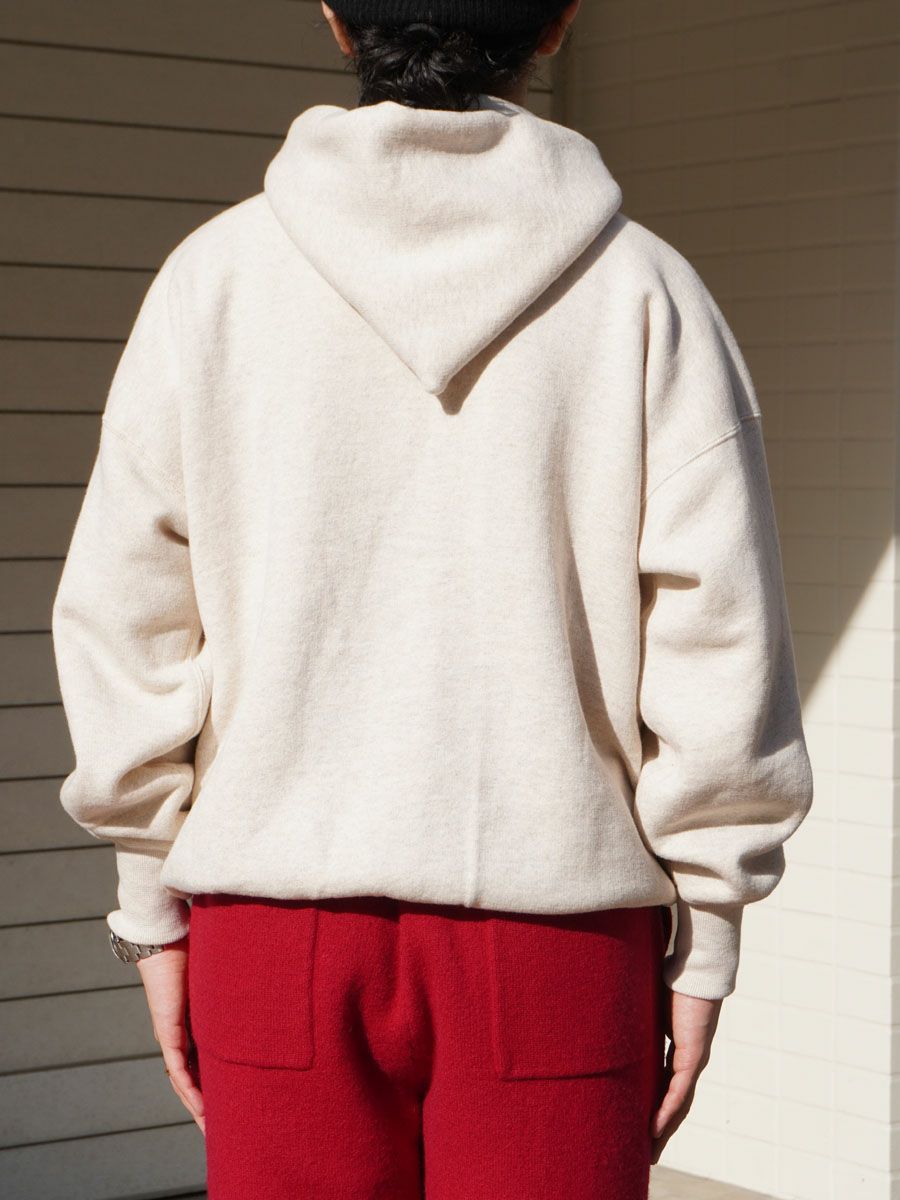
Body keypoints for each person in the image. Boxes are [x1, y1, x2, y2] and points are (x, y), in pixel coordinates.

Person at [50, 1, 814, 1197]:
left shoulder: (216, 281)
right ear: (558, 23)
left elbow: (127, 612)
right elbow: (719, 634)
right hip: (558, 941)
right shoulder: (646, 293)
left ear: (335, 16)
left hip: (273, 931)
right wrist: (711, 926)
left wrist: (149, 896)